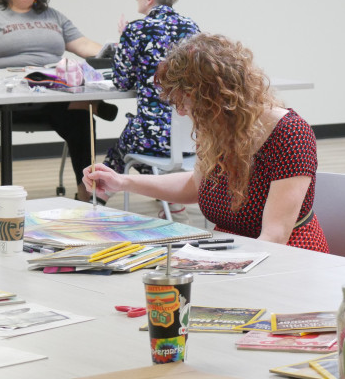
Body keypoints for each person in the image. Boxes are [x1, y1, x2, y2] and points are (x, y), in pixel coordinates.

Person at [84, 34, 329, 252]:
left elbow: (274, 237)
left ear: (217, 98)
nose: (180, 112)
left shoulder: (290, 133)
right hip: (233, 250)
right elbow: (196, 186)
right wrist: (123, 182)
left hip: (288, 259)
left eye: (185, 101)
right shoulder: (216, 127)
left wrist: (216, 272)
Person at [0, 0, 106, 201]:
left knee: (82, 118)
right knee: (84, 106)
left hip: (53, 95)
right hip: (10, 98)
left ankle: (86, 195)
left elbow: (83, 44)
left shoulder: (53, 16)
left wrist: (117, 51)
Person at [102, 0, 200, 181]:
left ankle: (91, 200)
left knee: (120, 152)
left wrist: (124, 40)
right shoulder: (192, 28)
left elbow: (121, 81)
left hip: (152, 134)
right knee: (130, 149)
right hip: (191, 137)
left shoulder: (136, 29)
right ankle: (173, 202)